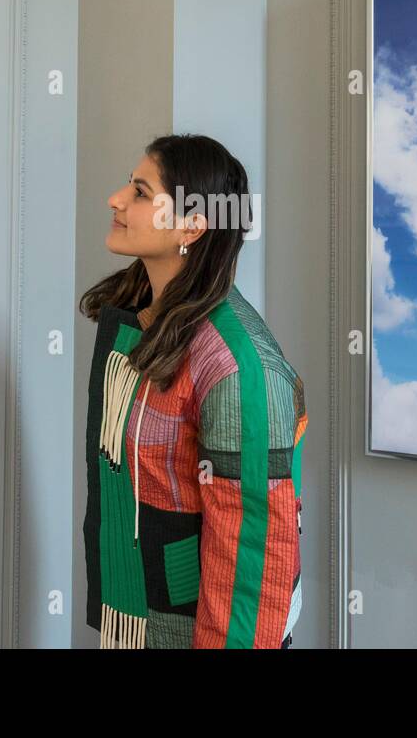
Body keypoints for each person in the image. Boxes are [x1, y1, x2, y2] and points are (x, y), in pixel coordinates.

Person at [79, 134, 306, 649]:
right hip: (140, 618)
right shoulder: (150, 322)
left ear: (191, 224)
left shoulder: (237, 367)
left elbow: (252, 556)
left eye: (140, 192)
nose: (115, 199)